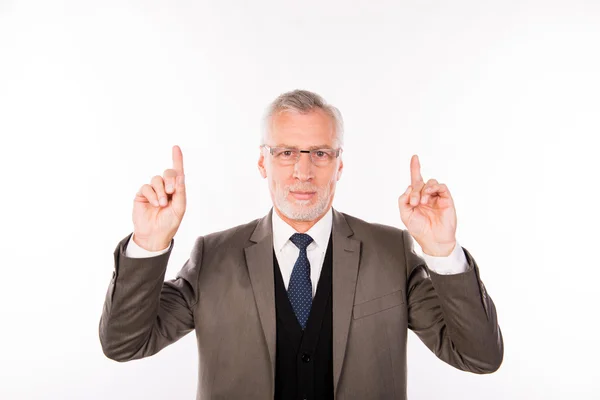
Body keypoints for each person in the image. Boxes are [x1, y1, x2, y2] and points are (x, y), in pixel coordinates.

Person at [99, 89, 503, 400]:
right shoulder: (213, 257)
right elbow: (124, 343)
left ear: (340, 163)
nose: (303, 170)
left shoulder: (390, 252)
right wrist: (149, 244)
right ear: (263, 162)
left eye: (320, 153)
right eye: (286, 152)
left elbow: (479, 356)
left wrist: (442, 251)